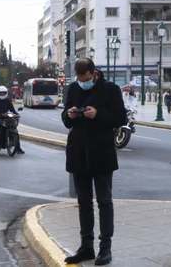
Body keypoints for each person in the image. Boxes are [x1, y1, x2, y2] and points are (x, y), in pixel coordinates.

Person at [62, 59, 126, 266]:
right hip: (78, 152)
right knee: (83, 202)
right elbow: (65, 119)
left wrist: (98, 115)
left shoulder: (110, 89)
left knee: (104, 201)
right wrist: (70, 114)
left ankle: (105, 248)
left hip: (102, 153)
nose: (83, 83)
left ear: (94, 73)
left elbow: (120, 118)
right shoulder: (72, 89)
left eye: (86, 79)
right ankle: (86, 247)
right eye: (80, 80)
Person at [0, 86, 24, 154]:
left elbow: (12, 109)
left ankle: (18, 148)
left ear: (6, 93)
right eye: (1, 93)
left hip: (6, 117)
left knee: (15, 130)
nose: (2, 94)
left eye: (3, 93)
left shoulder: (8, 101)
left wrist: (16, 114)